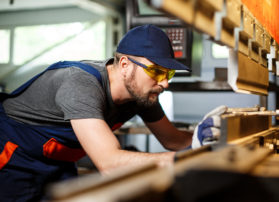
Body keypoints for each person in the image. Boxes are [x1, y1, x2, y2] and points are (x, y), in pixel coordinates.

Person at [0, 24, 195, 201]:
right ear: (125, 65)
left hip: (59, 162)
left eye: (169, 74)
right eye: (157, 72)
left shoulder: (142, 94)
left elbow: (174, 141)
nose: (165, 83)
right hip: (14, 159)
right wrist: (179, 161)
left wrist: (209, 136)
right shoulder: (80, 85)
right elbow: (110, 163)